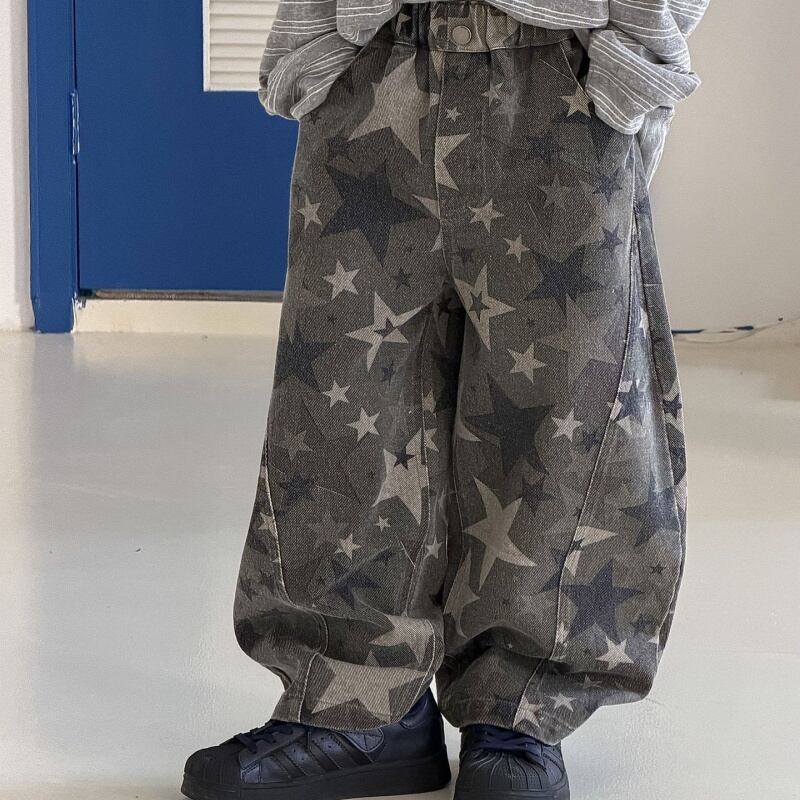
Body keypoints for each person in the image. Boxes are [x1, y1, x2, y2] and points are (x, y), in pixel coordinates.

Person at [182, 1, 708, 798]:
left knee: (563, 410)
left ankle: (521, 708)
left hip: (560, 71)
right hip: (375, 62)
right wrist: (324, 40)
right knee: (341, 403)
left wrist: (635, 55)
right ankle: (356, 705)